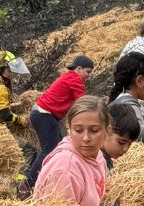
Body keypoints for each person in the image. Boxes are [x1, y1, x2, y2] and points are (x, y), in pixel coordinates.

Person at [24, 55, 94, 189]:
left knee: (58, 147)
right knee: (50, 149)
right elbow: (83, 102)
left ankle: (44, 179)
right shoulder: (75, 79)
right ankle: (28, 184)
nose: (89, 75)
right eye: (88, 71)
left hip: (43, 114)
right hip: (45, 115)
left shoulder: (69, 77)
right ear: (79, 69)